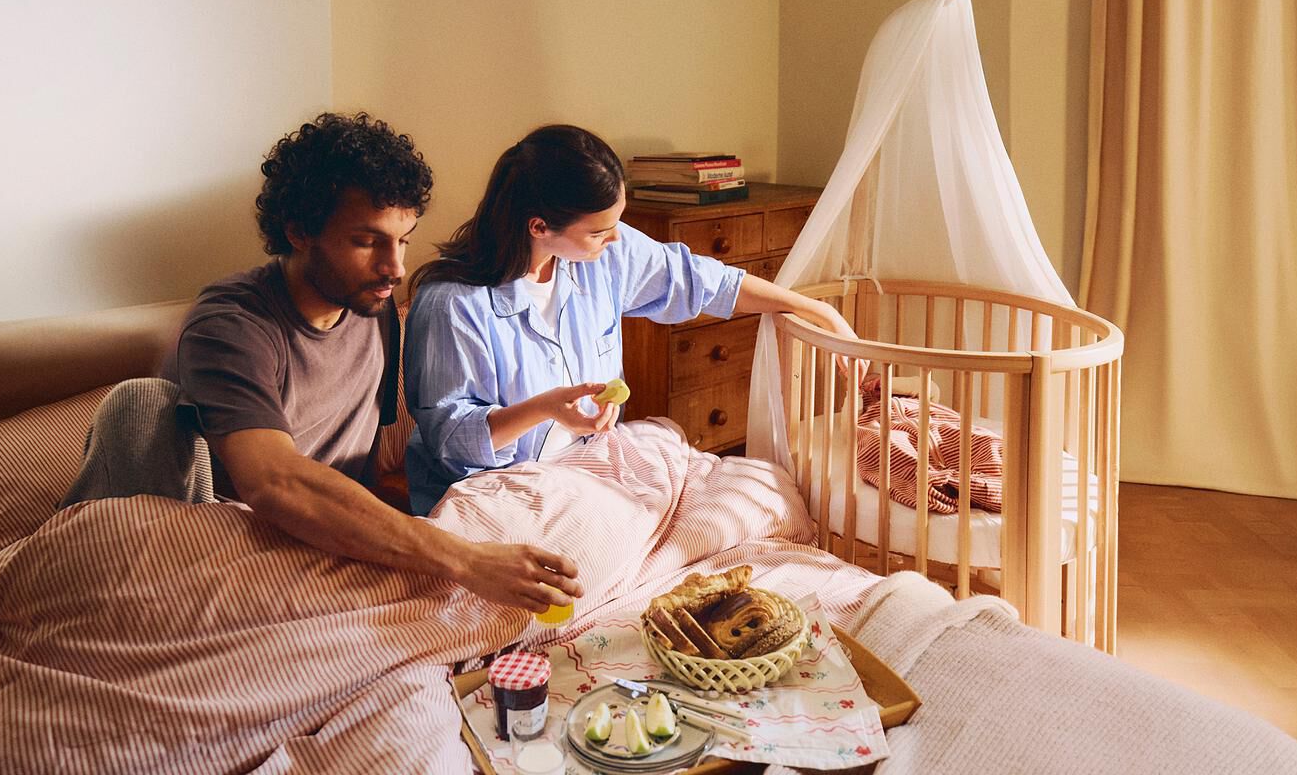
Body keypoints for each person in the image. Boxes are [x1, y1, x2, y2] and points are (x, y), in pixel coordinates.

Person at [61, 112, 582, 615]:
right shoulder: (231, 326)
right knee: (137, 403)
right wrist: (460, 558)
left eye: (403, 240)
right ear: (298, 231)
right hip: (214, 557)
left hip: (319, 556)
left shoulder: (374, 312)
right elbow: (275, 481)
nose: (394, 268)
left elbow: (364, 473)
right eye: (366, 241)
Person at [403, 125, 859, 514]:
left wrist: (811, 308)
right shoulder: (452, 306)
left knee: (759, 498)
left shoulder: (601, 257)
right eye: (599, 230)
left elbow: (700, 280)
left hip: (589, 466)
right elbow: (451, 442)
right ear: (539, 227)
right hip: (500, 492)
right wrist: (543, 409)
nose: (616, 238)